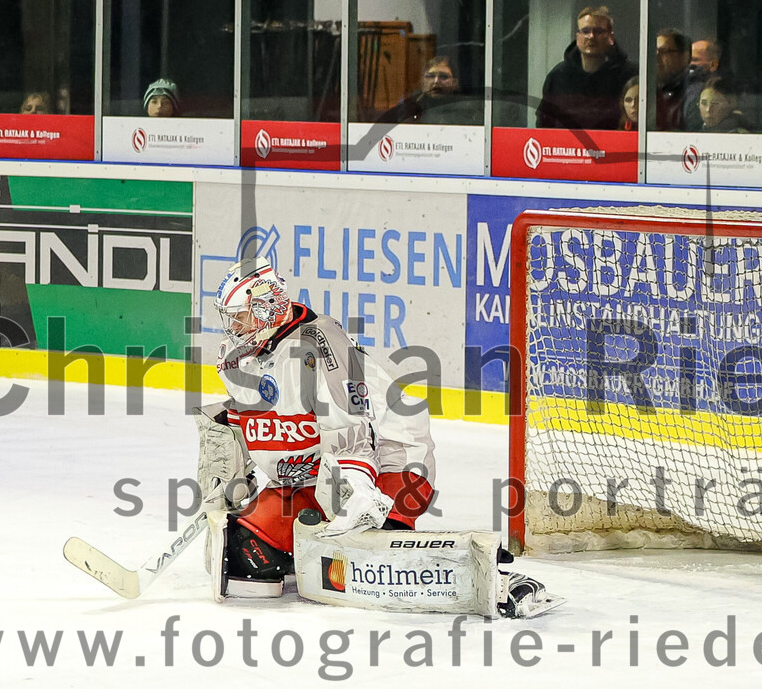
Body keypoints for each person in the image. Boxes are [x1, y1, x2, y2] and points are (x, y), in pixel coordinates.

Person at [198, 257, 558, 617]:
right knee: (244, 557)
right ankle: (318, 550)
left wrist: (354, 492)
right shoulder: (234, 358)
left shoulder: (319, 342)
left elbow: (353, 431)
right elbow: (250, 419)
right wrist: (227, 469)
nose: (233, 325)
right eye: (230, 316)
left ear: (268, 308)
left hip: (391, 455)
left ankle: (493, 578)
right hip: (310, 475)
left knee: (374, 551)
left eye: (240, 315)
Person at [536, 5, 637, 130]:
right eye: (585, 31)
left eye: (599, 31)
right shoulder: (558, 77)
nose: (591, 36)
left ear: (610, 36)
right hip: (566, 148)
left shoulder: (631, 76)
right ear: (578, 37)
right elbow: (543, 125)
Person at [386, 56, 481, 125]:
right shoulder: (409, 106)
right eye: (430, 76)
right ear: (422, 81)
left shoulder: (467, 108)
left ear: (455, 82)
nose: (436, 81)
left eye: (443, 76)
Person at [655, 28, 692, 131]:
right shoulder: (650, 88)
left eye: (664, 51)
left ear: (684, 57)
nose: (656, 56)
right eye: (654, 50)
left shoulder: (693, 91)